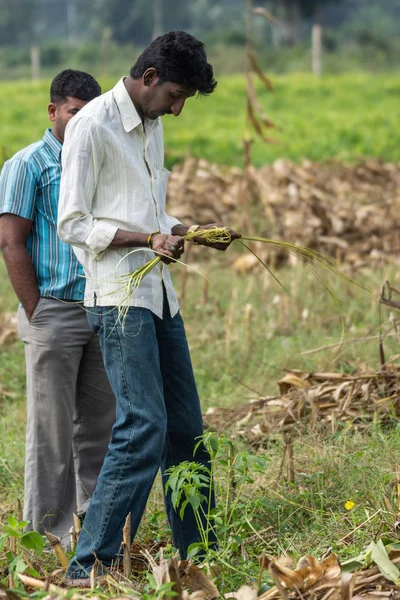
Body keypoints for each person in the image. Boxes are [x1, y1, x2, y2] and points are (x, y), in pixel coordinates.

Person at [57, 31, 240, 580]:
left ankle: (197, 554)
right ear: (150, 77)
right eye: (176, 95)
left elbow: (151, 212)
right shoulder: (91, 126)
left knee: (187, 430)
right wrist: (144, 239)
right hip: (118, 298)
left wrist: (187, 230)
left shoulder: (153, 127)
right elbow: (73, 223)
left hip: (159, 297)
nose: (178, 110)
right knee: (143, 425)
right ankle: (89, 565)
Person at [0, 70, 116, 547]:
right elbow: (11, 242)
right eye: (73, 112)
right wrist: (37, 310)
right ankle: (48, 535)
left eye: (89, 113)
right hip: (54, 312)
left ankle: (94, 527)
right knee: (50, 431)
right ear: (53, 112)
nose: (81, 121)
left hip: (100, 308)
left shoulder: (96, 161)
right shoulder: (29, 165)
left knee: (100, 424)